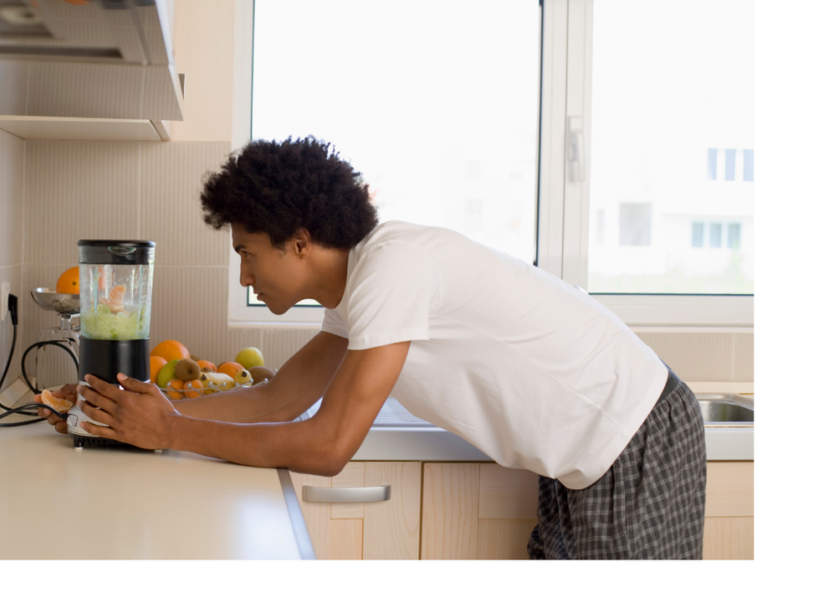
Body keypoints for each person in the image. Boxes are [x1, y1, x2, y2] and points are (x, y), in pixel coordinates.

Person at [36, 136, 707, 560]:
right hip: (590, 454)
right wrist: (144, 409)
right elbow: (281, 395)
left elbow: (329, 445)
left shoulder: (391, 269)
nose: (243, 273)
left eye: (246, 252)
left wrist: (174, 431)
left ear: (298, 241)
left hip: (636, 433)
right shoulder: (358, 285)